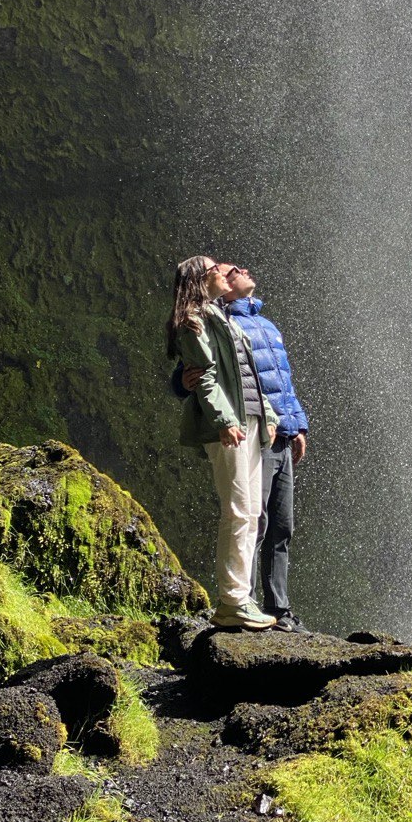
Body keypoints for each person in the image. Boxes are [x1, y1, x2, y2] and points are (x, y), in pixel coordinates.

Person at [179, 264, 310, 634]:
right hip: (243, 426)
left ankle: (277, 606)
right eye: (228, 270)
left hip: (272, 428)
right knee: (252, 516)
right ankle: (241, 598)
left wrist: (294, 423)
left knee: (277, 522)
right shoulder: (215, 319)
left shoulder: (264, 325)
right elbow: (198, 368)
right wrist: (182, 382)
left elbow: (280, 380)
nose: (239, 270)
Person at [166, 255, 279, 630]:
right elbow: (206, 379)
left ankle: (240, 598)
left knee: (250, 513)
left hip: (249, 421)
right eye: (215, 269)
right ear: (201, 279)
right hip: (229, 425)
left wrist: (270, 415)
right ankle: (232, 601)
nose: (221, 273)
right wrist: (224, 420)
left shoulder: (222, 317)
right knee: (237, 510)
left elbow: (248, 373)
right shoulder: (193, 321)